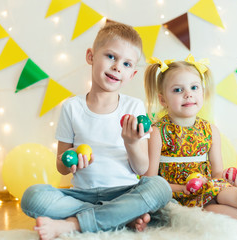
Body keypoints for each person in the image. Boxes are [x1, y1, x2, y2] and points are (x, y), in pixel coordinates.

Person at [21, 22, 172, 240]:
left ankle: (74, 224)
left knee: (159, 187)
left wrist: (131, 143)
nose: (117, 67)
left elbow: (142, 167)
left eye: (127, 64)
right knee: (32, 197)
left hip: (124, 192)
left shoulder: (134, 107)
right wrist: (69, 161)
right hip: (80, 196)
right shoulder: (72, 107)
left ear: (132, 74)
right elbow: (61, 166)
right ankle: (121, 217)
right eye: (111, 56)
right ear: (91, 56)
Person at [143, 54, 237, 229]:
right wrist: (183, 189)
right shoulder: (158, 132)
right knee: (211, 212)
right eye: (178, 90)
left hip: (207, 188)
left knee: (220, 188)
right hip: (176, 196)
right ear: (163, 99)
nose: (188, 94)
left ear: (203, 92)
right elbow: (150, 180)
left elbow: (216, 174)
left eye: (194, 87)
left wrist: (228, 180)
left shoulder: (210, 130)